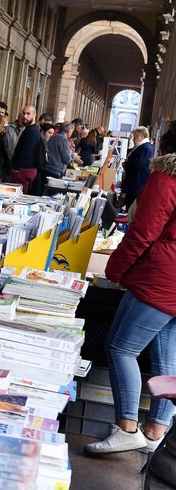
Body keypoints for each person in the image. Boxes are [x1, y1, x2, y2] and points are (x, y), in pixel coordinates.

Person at [84, 122, 176, 457]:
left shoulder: (167, 178)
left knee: (122, 348)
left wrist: (116, 269)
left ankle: (127, 428)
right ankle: (156, 430)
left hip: (161, 278)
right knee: (168, 359)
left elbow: (144, 232)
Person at [9, 105, 42, 195]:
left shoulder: (32, 131)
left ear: (34, 115)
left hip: (23, 170)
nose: (25, 116)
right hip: (25, 169)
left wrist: (16, 167)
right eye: (24, 113)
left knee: (18, 197)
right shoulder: (31, 129)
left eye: (28, 114)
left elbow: (25, 152)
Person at [120, 126, 154, 210]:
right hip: (133, 182)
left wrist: (127, 164)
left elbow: (139, 164)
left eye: (135, 137)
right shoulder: (142, 147)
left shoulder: (146, 148)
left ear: (140, 137)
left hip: (137, 183)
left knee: (132, 207)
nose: (133, 139)